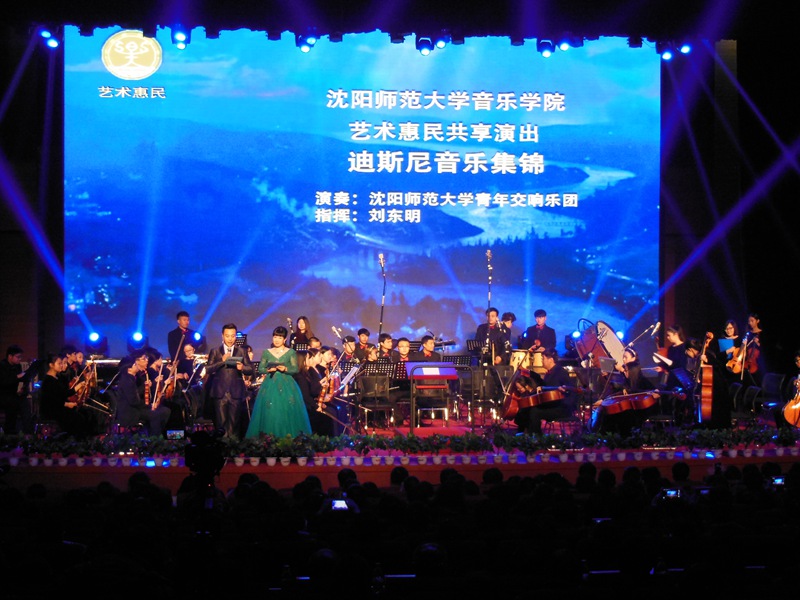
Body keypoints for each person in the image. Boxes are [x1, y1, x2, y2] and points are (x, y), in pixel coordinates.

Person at [246, 326, 311, 438]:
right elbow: (260, 369)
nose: (277, 340)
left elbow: (295, 369)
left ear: (285, 339)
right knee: (270, 411)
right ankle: (268, 439)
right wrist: (268, 370)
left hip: (287, 385)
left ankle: (289, 439)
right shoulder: (267, 352)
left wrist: (285, 369)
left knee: (286, 410)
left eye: (280, 338)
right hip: (270, 384)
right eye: (275, 337)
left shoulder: (290, 352)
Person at [205, 323, 254, 438]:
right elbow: (208, 369)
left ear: (235, 336)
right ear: (222, 336)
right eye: (227, 336)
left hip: (235, 392)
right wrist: (222, 361)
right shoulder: (215, 351)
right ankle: (221, 447)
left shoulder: (241, 351)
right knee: (220, 426)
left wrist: (242, 368)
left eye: (232, 336)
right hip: (220, 392)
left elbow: (250, 369)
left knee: (234, 425)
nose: (230, 339)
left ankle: (233, 447)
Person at [114, 350, 171, 436]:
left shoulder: (133, 378)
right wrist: (148, 406)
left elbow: (137, 394)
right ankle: (153, 438)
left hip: (137, 409)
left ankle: (162, 435)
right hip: (130, 413)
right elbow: (134, 401)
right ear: (129, 369)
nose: (136, 366)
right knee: (155, 415)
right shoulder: (127, 380)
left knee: (165, 411)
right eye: (135, 365)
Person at [37, 352, 95, 437]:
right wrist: (67, 404)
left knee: (86, 413)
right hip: (53, 410)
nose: (61, 365)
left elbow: (64, 393)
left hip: (60, 407)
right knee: (78, 418)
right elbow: (52, 400)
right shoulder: (48, 381)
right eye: (59, 363)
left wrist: (79, 385)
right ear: (51, 365)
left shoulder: (58, 377)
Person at [523, 349, 577, 435]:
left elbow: (571, 389)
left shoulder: (561, 372)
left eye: (543, 358)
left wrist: (564, 391)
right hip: (551, 405)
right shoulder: (549, 373)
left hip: (561, 408)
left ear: (551, 360)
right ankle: (528, 434)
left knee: (534, 412)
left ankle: (536, 437)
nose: (541, 361)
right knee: (528, 408)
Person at [294, 348, 335, 436]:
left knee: (330, 416)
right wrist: (316, 406)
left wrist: (321, 384)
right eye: (308, 358)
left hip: (311, 404)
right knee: (326, 420)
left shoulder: (306, 374)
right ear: (303, 361)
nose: (311, 359)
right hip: (305, 407)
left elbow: (312, 390)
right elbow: (306, 396)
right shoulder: (300, 376)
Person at [0, 344, 34, 433]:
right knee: (12, 404)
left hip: (14, 394)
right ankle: (9, 432)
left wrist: (23, 387)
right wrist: (17, 376)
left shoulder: (17, 366)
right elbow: (4, 381)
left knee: (25, 403)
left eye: (20, 357)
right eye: (18, 357)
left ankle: (27, 432)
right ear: (10, 356)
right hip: (3, 395)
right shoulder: (2, 366)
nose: (20, 359)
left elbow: (20, 380)